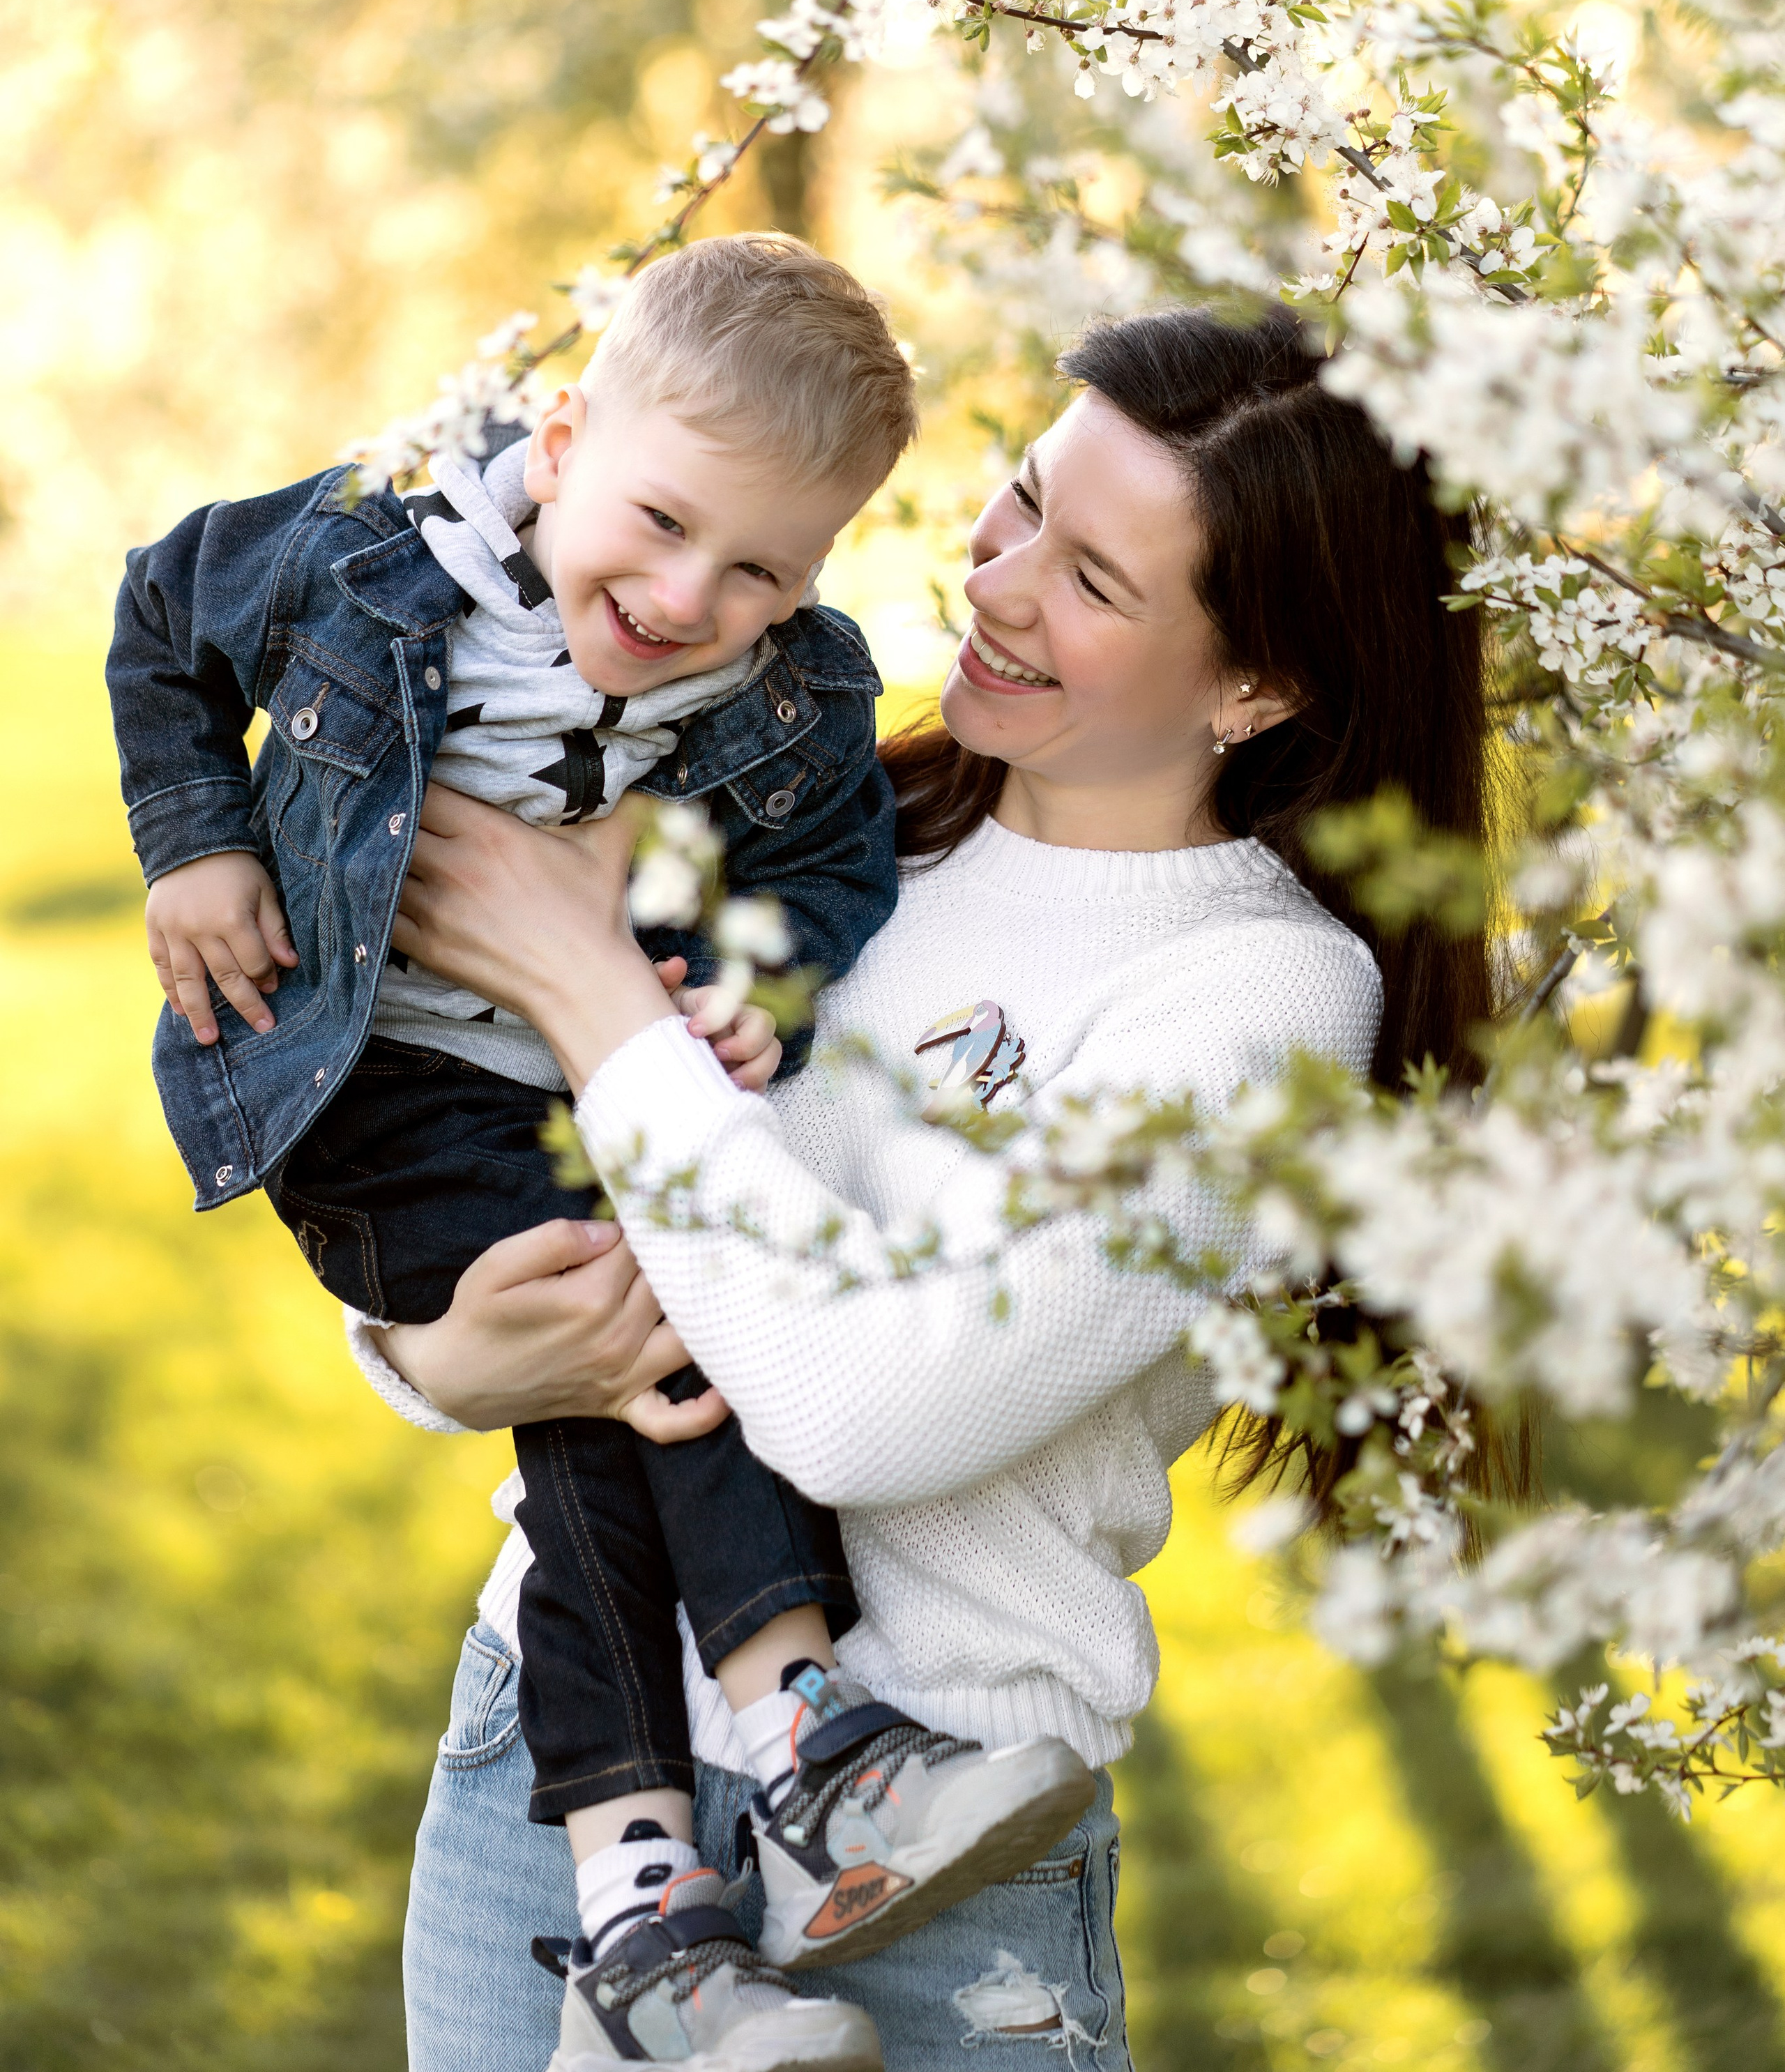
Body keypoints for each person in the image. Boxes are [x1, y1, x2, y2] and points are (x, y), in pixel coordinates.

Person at [357, 298, 1491, 2072]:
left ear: (1255, 684)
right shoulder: (818, 828)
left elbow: (872, 1412)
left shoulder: (1261, 1005)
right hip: (570, 1770)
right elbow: (493, 1149)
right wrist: (435, 1362)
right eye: (1022, 497)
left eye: (1095, 580)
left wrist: (587, 986)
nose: (998, 580)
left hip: (948, 1848)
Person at [108, 234, 1095, 2072]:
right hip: (369, 1096)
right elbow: (165, 609)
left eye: (759, 569)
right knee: (641, 1342)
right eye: (656, 521)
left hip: (565, 1084)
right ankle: (803, 1744)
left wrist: (753, 995)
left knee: (642, 1360)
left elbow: (822, 869)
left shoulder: (793, 685)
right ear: (560, 440)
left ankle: (664, 1904)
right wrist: (197, 848)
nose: (685, 594)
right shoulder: (366, 561)